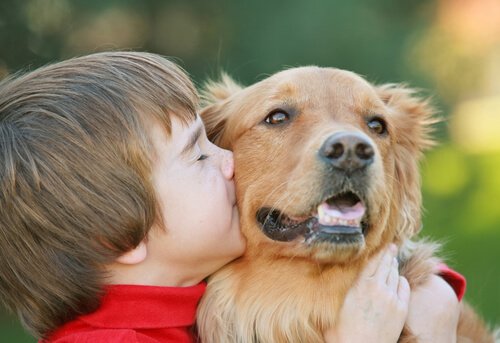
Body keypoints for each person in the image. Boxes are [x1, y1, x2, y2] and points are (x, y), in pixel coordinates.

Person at [0, 51, 463, 343]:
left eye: (375, 128)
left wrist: (432, 291)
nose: (228, 162)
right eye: (199, 155)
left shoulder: (184, 304)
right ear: (119, 235)